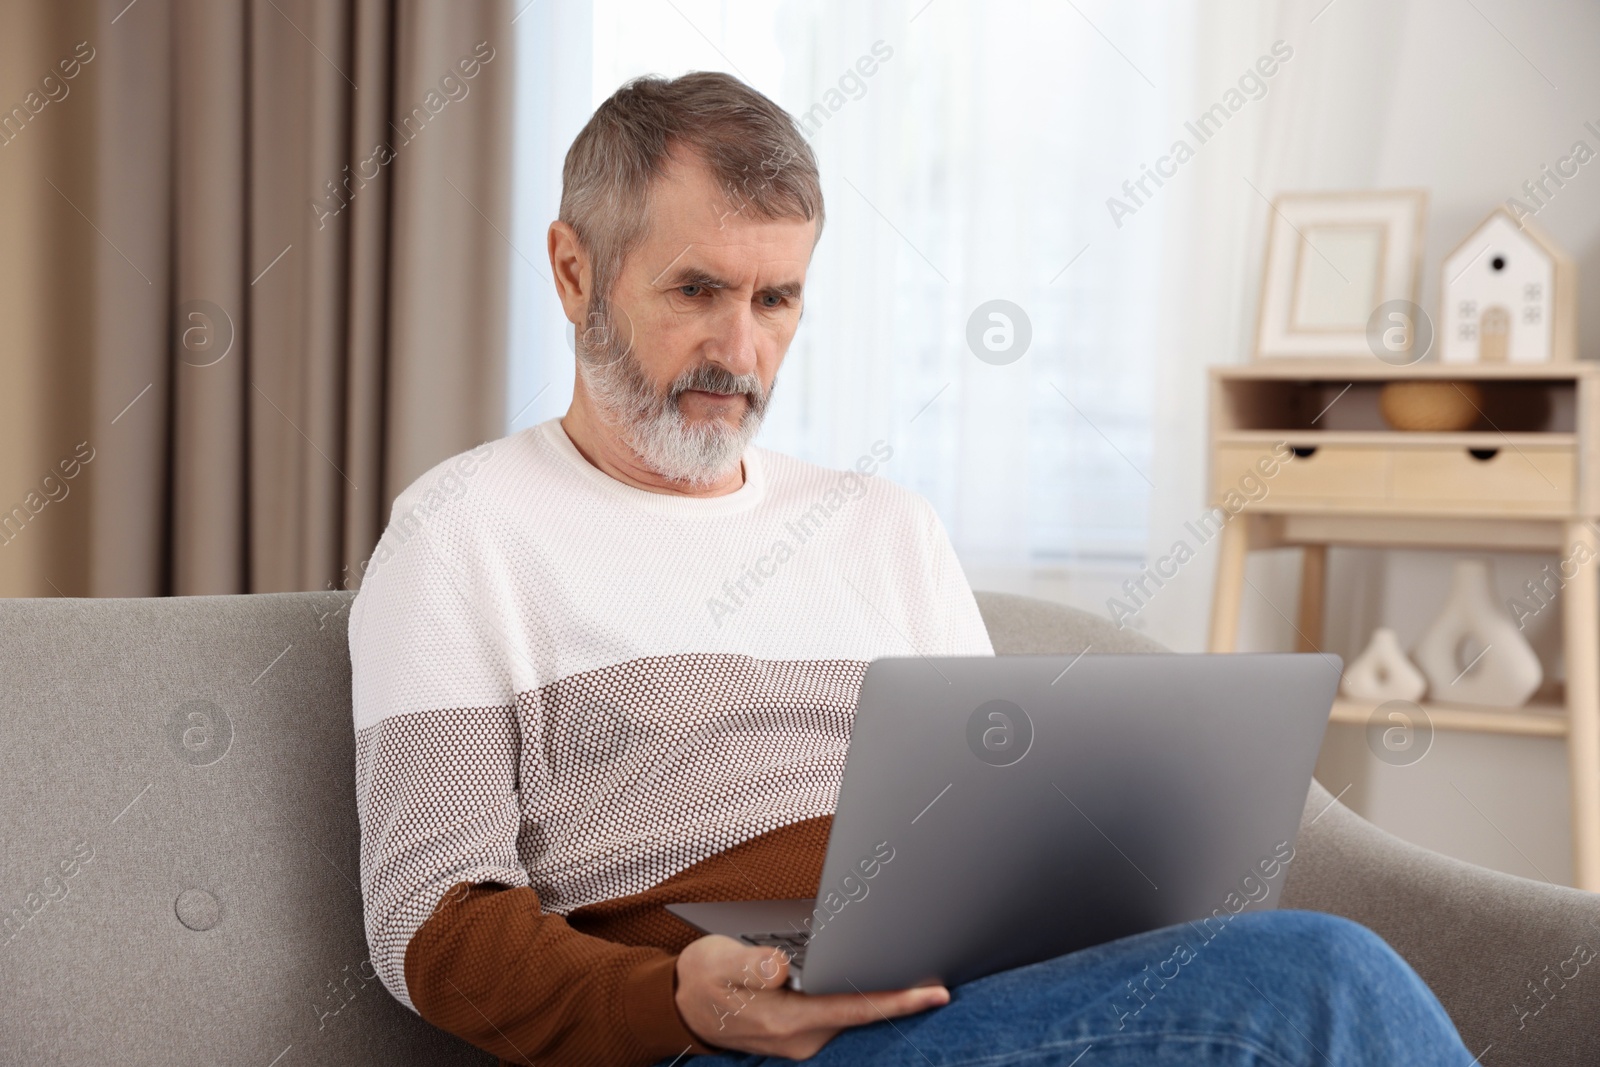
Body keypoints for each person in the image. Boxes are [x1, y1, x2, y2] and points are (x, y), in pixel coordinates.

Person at [349, 70, 1473, 1066]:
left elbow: (999, 830)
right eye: (697, 291)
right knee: (1319, 980)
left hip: (964, 995)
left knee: (1284, 970)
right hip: (725, 1040)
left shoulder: (883, 525)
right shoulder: (460, 532)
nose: (739, 354)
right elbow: (430, 925)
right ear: (572, 268)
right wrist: (673, 1001)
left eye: (774, 298)